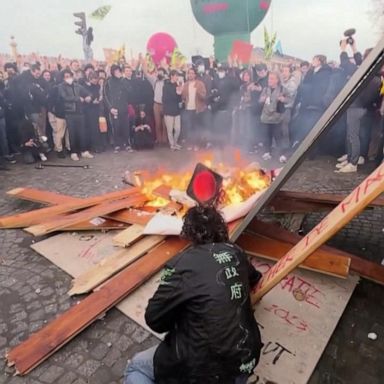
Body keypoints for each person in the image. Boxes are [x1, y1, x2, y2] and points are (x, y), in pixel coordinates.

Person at [124, 205, 263, 384]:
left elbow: (155, 320)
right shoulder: (235, 251)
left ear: (188, 235)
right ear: (222, 229)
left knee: (136, 367)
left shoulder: (182, 264)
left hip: (201, 372)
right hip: (245, 362)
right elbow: (254, 278)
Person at [58, 69, 93, 161]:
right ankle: (74, 152)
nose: (68, 78)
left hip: (80, 112)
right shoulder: (61, 87)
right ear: (63, 78)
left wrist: (89, 96)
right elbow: (64, 97)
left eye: (69, 76)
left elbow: (87, 92)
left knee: (82, 132)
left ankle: (84, 151)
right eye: (66, 77)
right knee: (72, 134)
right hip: (70, 113)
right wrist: (78, 98)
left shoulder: (77, 86)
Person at [259, 71, 288, 163]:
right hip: (265, 117)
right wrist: (261, 100)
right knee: (266, 136)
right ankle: (267, 152)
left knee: (278, 137)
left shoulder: (282, 89)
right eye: (269, 78)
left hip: (276, 118)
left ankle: (281, 154)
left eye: (272, 78)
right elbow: (260, 100)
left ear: (277, 80)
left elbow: (290, 99)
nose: (269, 80)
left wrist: (284, 99)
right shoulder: (265, 89)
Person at [104, 64, 132, 152]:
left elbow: (130, 91)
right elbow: (105, 96)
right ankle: (117, 144)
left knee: (125, 126)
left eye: (119, 71)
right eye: (115, 71)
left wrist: (123, 80)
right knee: (116, 127)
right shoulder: (108, 82)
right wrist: (110, 108)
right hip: (114, 108)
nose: (117, 73)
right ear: (112, 72)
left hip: (123, 107)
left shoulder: (124, 80)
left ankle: (127, 144)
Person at [182, 67, 207, 151]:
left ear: (195, 75)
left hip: (197, 109)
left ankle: (197, 145)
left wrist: (198, 92)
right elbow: (183, 97)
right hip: (188, 108)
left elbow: (204, 96)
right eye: (189, 73)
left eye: (192, 73)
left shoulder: (200, 84)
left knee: (197, 128)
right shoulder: (185, 84)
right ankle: (191, 144)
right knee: (189, 128)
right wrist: (180, 93)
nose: (190, 75)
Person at [162, 70, 183, 150]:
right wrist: (176, 94)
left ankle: (175, 142)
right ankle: (172, 144)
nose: (177, 77)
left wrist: (179, 94)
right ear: (171, 76)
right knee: (170, 130)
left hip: (176, 110)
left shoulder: (177, 85)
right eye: (176, 76)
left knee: (178, 129)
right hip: (168, 110)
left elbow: (179, 99)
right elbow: (165, 98)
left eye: (177, 76)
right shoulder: (166, 86)